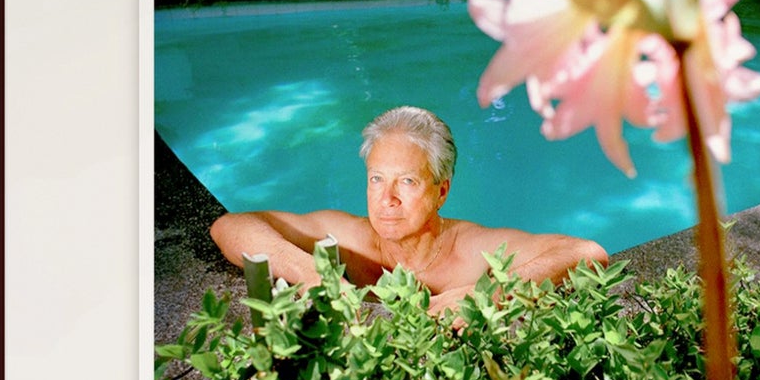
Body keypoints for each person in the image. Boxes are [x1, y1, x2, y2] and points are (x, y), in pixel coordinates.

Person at [209, 106, 609, 310]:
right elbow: (230, 226)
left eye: (408, 181)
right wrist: (312, 274)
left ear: (441, 192)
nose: (387, 199)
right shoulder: (351, 239)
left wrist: (487, 293)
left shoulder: (472, 250)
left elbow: (588, 253)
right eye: (376, 179)